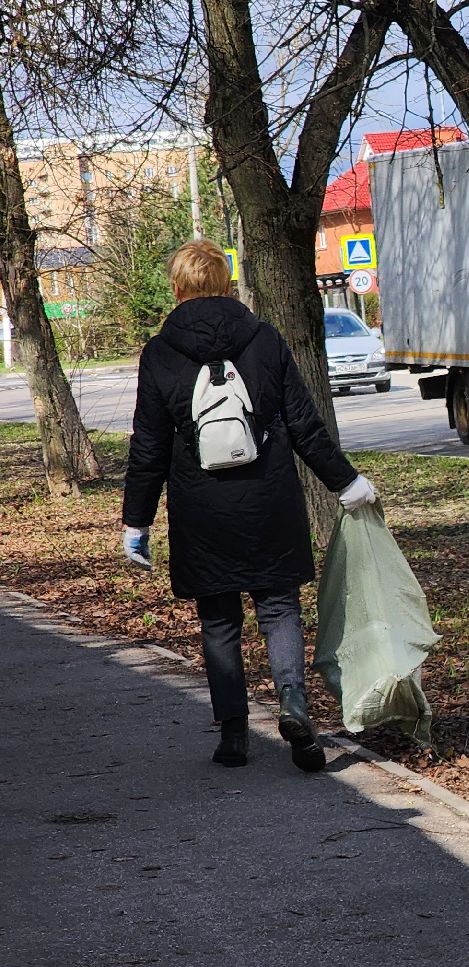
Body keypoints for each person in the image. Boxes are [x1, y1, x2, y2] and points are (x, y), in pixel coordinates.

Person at [121, 239, 378, 771]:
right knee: (279, 609)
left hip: (201, 507)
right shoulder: (263, 340)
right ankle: (293, 704)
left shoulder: (160, 352)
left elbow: (149, 444)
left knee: (219, 620)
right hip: (269, 499)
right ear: (226, 283)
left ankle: (234, 736)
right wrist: (345, 483)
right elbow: (305, 424)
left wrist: (136, 521)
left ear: (178, 287)